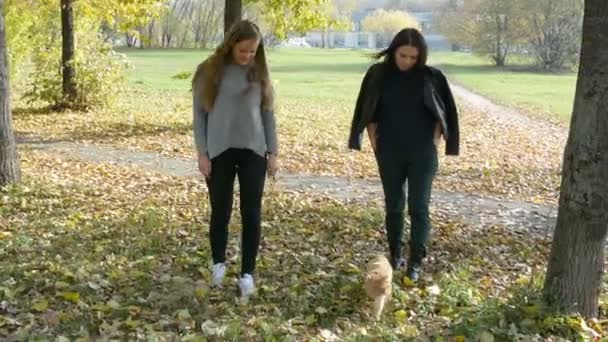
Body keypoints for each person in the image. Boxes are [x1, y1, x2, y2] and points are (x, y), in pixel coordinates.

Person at [348, 28, 460, 282]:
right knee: (394, 205)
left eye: (413, 57)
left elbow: (443, 114)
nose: (407, 61)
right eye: (403, 55)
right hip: (389, 150)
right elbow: (368, 110)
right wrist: (376, 144)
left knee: (419, 207)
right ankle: (395, 252)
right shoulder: (378, 74)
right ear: (393, 51)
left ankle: (416, 260)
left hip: (422, 152)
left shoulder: (431, 77)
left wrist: (434, 142)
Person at [192, 20, 278, 299]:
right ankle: (218, 263)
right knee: (221, 210)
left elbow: (268, 114)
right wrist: (202, 153)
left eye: (253, 51)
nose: (248, 56)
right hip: (219, 151)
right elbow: (199, 117)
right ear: (231, 45)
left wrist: (273, 152)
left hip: (254, 151)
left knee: (251, 213)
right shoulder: (209, 72)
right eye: (243, 51)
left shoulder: (260, 72)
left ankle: (247, 274)